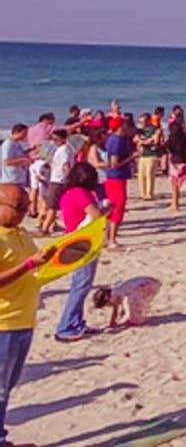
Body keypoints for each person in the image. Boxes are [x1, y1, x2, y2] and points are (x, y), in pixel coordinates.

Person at [0, 182, 55, 446]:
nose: (24, 211)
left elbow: (33, 269)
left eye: (26, 206)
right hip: (3, 323)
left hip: (24, 319)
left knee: (7, 387)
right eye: (18, 207)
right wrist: (30, 264)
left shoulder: (20, 232)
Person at [54, 163, 106, 342]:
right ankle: (66, 326)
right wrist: (106, 208)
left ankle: (76, 322)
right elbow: (95, 215)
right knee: (81, 285)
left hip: (75, 241)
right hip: (81, 244)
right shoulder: (80, 193)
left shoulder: (68, 193)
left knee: (82, 284)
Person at [103, 117, 135, 248]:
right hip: (116, 177)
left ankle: (107, 237)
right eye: (125, 125)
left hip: (114, 177)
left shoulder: (116, 139)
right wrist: (131, 157)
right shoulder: (116, 141)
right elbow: (114, 163)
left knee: (112, 206)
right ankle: (112, 239)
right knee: (118, 206)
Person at [92, 276, 163, 328]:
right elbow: (115, 309)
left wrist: (119, 323)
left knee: (133, 315)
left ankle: (137, 318)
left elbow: (124, 311)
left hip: (148, 285)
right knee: (129, 305)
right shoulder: (114, 293)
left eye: (107, 305)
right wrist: (112, 323)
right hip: (148, 283)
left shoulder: (121, 296)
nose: (108, 306)